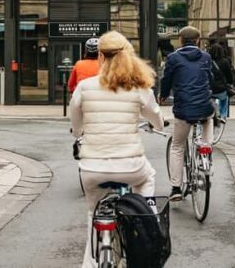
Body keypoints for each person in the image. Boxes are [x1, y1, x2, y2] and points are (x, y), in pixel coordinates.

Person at [69, 31, 164, 268]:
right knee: (148, 177)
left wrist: (80, 134)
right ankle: (145, 223)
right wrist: (157, 123)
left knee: (93, 213)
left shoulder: (84, 86)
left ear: (100, 55)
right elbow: (157, 119)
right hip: (131, 166)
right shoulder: (139, 87)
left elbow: (76, 125)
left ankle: (90, 263)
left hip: (92, 168)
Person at [159, 26, 215, 202]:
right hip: (204, 107)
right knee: (208, 122)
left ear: (180, 41)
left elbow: (166, 79)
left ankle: (176, 188)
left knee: (177, 145)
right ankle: (206, 154)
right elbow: (210, 79)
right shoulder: (206, 57)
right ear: (198, 41)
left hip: (183, 109)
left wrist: (163, 94)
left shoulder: (173, 58)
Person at [209, 43, 234, 121]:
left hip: (210, 90)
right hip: (221, 90)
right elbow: (229, 77)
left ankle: (210, 114)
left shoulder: (207, 61)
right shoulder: (225, 61)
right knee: (224, 98)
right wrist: (230, 82)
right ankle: (223, 115)